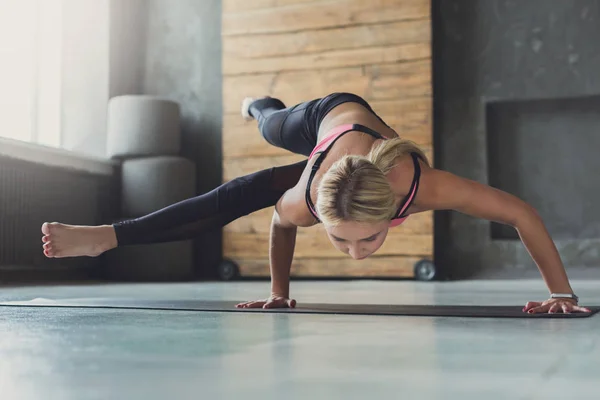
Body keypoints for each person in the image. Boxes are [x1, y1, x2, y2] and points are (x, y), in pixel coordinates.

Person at [41, 92, 590, 315]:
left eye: (367, 239)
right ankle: (261, 106)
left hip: (352, 129)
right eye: (340, 238)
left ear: (396, 211)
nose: (356, 256)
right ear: (318, 212)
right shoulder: (304, 199)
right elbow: (282, 222)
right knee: (258, 154)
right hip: (318, 121)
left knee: (245, 190)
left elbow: (521, 213)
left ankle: (109, 234)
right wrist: (279, 294)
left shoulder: (422, 185)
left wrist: (561, 292)